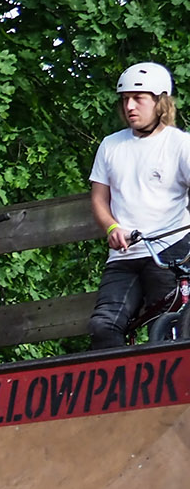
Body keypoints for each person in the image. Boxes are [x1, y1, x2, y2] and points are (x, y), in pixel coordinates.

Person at [86, 62, 190, 348]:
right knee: (102, 326)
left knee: (170, 327)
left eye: (138, 98)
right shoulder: (111, 145)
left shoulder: (180, 144)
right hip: (125, 254)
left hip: (171, 248)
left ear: (160, 101)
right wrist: (112, 227)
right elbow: (99, 198)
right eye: (125, 99)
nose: (129, 106)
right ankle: (118, 377)